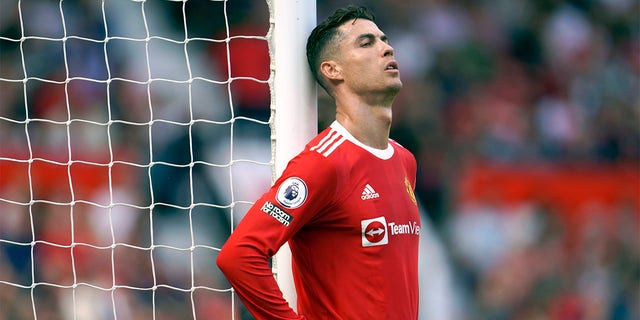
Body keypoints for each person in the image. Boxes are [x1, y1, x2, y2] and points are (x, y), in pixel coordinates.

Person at [217, 5, 420, 319]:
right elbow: (239, 255)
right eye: (367, 43)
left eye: (383, 40)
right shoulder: (324, 163)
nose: (386, 48)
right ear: (332, 70)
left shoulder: (404, 160)